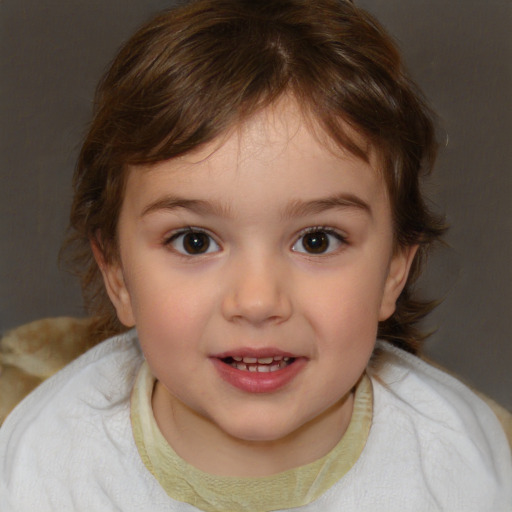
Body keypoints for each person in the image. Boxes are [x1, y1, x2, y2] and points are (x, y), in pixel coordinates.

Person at [0, 0, 510, 510]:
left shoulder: (458, 462)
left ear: (393, 271)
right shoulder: (51, 464)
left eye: (317, 240)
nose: (258, 300)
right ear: (118, 275)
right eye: (194, 241)